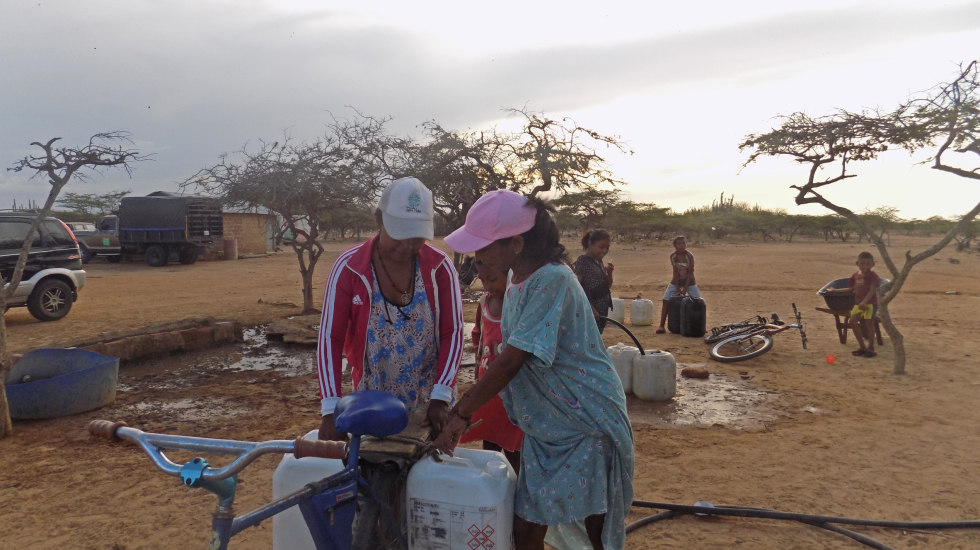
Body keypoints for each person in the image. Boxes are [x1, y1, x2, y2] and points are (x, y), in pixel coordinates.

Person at [436, 189, 634, 550]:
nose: (477, 255)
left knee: (592, 522)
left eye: (484, 246)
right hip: (549, 425)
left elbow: (512, 359)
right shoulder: (516, 277)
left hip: (583, 419)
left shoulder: (552, 280)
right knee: (531, 521)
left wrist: (461, 413)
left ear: (516, 243)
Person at [315, 177, 464, 549]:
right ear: (378, 220)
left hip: (429, 402)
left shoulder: (439, 269)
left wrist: (441, 395)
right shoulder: (350, 268)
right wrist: (330, 409)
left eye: (416, 237)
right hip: (370, 401)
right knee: (372, 487)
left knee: (423, 493)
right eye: (399, 235)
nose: (408, 246)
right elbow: (330, 339)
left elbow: (453, 333)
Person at [459, 260, 523, 472]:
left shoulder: (520, 305)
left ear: (511, 276)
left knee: (516, 448)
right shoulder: (484, 301)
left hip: (514, 390)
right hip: (487, 389)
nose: (487, 285)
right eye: (483, 279)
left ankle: (518, 489)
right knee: (490, 444)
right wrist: (479, 364)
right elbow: (478, 333)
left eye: (493, 279)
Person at [826, 251, 881, 358]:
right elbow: (851, 289)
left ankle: (871, 348)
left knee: (870, 323)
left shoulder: (872, 275)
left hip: (869, 304)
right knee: (852, 321)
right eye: (862, 263)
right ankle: (862, 347)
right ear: (857, 263)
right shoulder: (855, 275)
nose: (865, 266)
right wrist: (835, 290)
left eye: (868, 264)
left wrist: (865, 302)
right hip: (858, 304)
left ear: (872, 265)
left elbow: (873, 290)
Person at [656, 235, 701, 334]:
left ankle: (700, 325)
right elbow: (675, 272)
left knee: (698, 303)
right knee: (666, 300)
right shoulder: (673, 257)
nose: (682, 245)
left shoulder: (689, 256)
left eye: (684, 243)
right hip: (676, 281)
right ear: (675, 245)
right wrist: (677, 287)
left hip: (690, 282)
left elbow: (690, 273)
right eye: (679, 243)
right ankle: (661, 326)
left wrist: (685, 288)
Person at [573, 229, 614, 333]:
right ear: (590, 244)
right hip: (588, 314)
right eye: (601, 247)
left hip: (600, 314)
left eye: (607, 248)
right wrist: (590, 308)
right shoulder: (583, 261)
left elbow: (607, 286)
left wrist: (609, 273)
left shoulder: (599, 261)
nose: (604, 251)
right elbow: (576, 288)